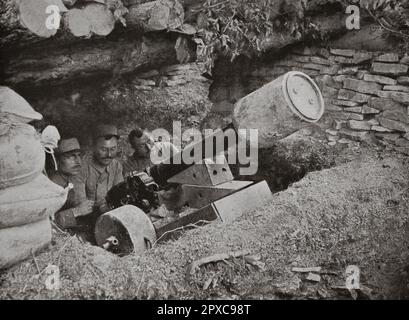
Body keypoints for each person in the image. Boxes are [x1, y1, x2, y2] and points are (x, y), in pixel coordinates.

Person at [50, 138, 95, 240]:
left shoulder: (75, 178)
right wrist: (76, 211)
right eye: (71, 156)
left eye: (79, 155)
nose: (78, 161)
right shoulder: (51, 186)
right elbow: (48, 223)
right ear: (56, 161)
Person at [82, 124, 124, 215]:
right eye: (103, 149)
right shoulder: (82, 168)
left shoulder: (116, 166)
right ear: (93, 147)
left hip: (111, 213)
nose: (109, 154)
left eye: (113, 149)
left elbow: (120, 194)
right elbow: (80, 204)